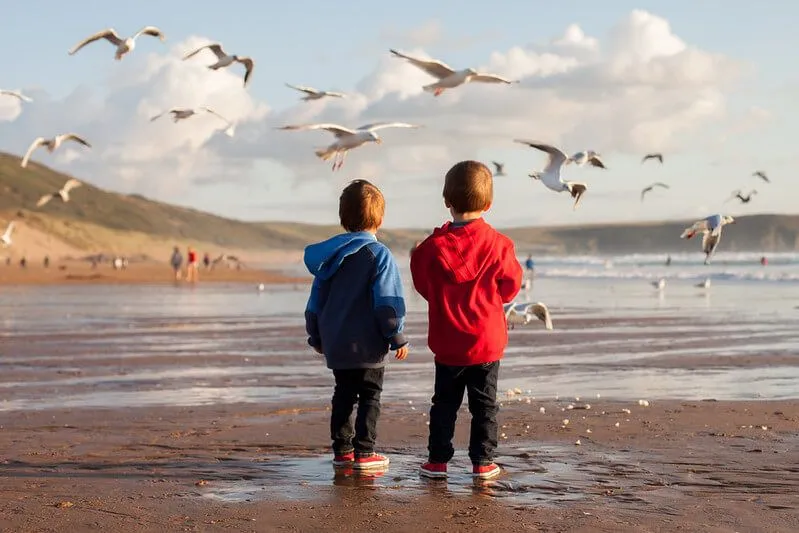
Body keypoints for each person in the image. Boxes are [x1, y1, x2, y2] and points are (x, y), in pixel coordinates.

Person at [410, 160, 522, 480]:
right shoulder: (500, 245)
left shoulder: (430, 249)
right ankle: (482, 461)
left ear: (447, 201)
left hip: (448, 341)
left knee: (444, 404)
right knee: (484, 405)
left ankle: (437, 460)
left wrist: (443, 299)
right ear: (488, 203)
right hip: (486, 340)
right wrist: (492, 299)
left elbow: (422, 284)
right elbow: (511, 285)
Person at [304, 179, 409, 472]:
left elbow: (315, 302)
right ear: (380, 218)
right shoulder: (379, 255)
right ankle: (365, 452)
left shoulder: (330, 258)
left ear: (343, 217)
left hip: (336, 342)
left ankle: (342, 451)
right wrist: (396, 335)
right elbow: (387, 303)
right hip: (369, 344)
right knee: (370, 396)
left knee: (343, 394)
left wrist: (316, 336)